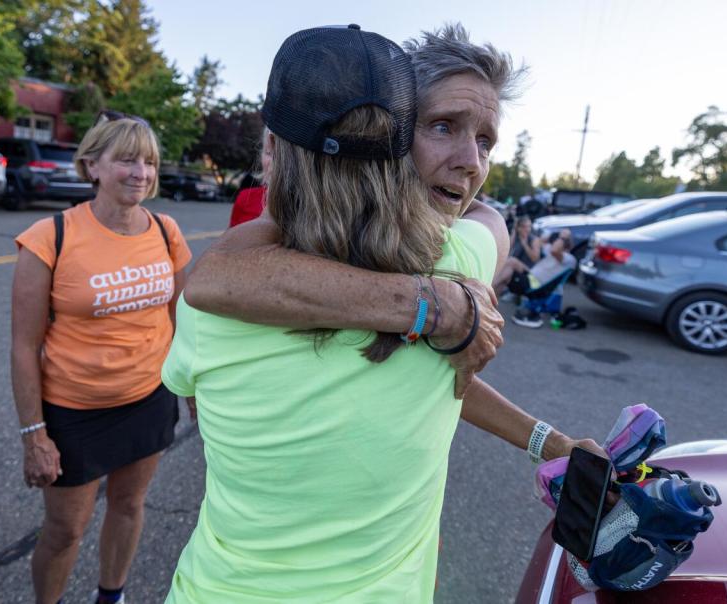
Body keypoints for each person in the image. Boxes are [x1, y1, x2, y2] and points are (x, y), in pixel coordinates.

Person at [183, 24, 602, 463]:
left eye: (485, 142)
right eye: (443, 127)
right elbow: (488, 225)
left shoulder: (226, 296)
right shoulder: (460, 260)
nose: (472, 164)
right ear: (387, 133)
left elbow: (438, 377)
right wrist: (436, 303)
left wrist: (552, 445)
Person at [10, 112, 193, 604]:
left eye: (150, 162)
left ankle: (110, 596)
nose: (141, 173)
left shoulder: (166, 229)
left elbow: (183, 320)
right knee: (65, 530)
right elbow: (24, 346)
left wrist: (193, 392)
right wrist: (34, 434)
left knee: (130, 505)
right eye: (127, 160)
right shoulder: (50, 237)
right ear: (91, 166)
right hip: (74, 410)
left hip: (148, 397)